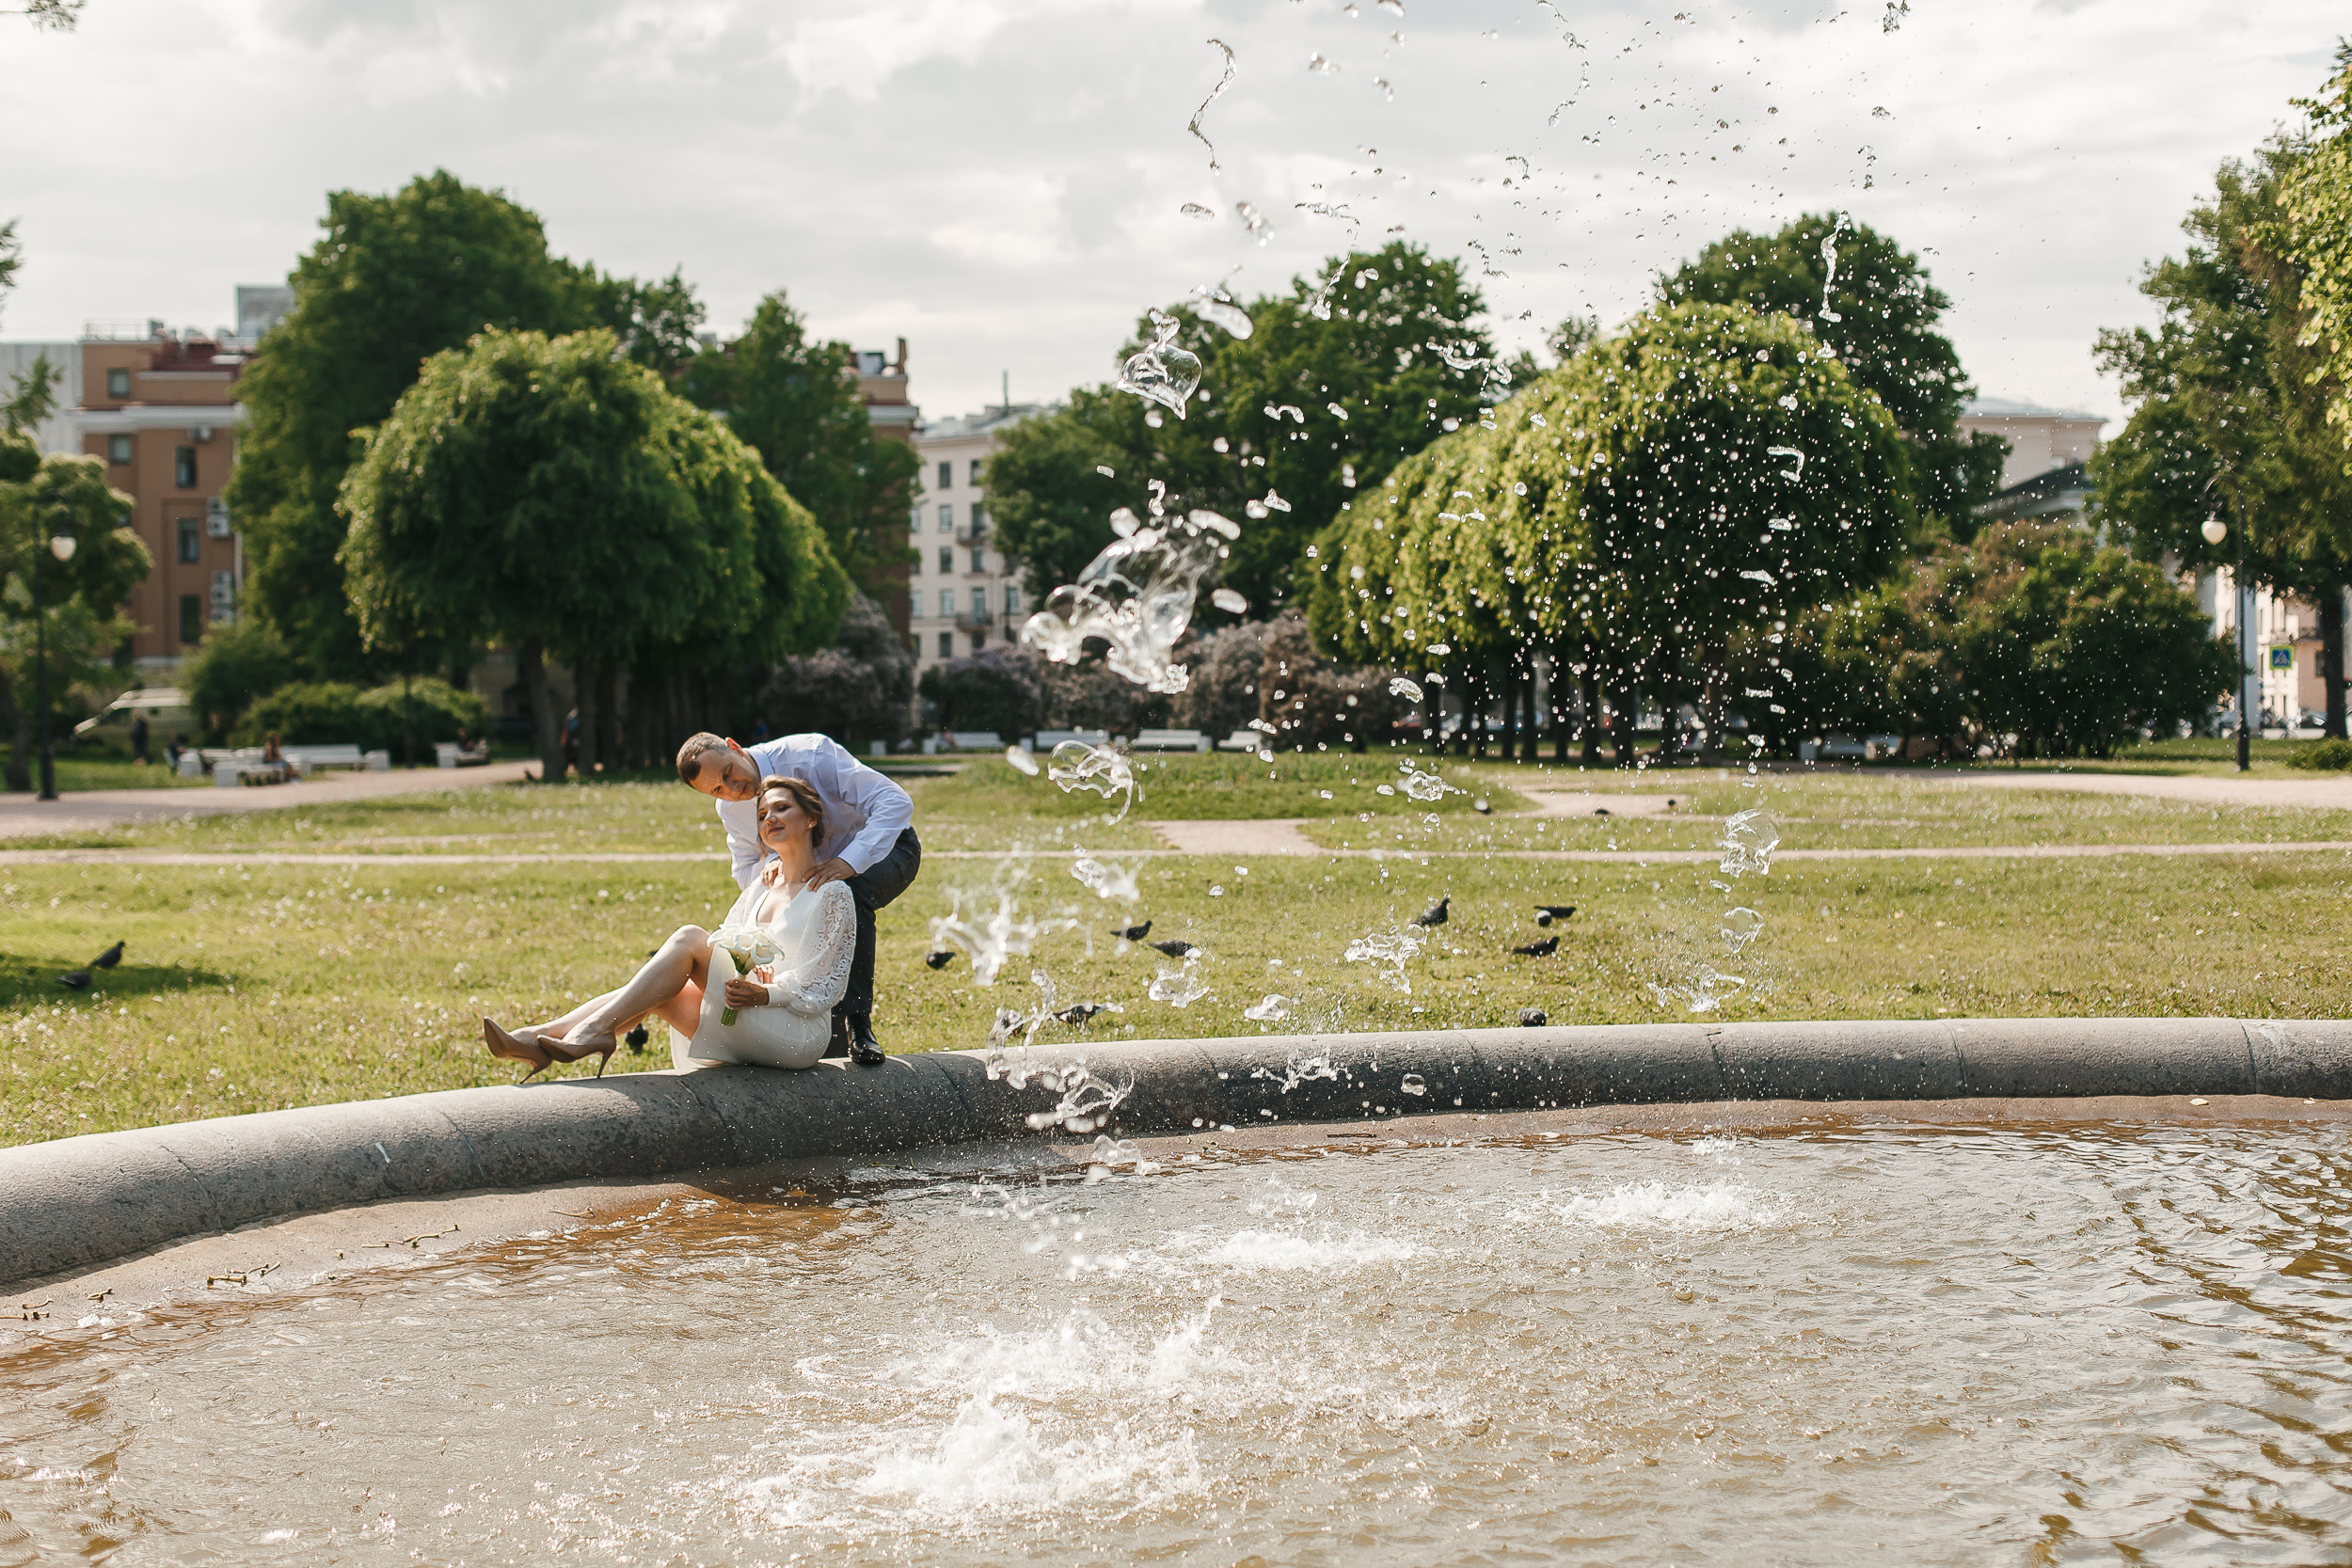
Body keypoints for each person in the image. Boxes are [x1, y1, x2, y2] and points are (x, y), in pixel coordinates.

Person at [484, 777, 856, 1078]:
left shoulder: (832, 893)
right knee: (660, 989)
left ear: (810, 819)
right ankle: (539, 1039)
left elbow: (826, 986)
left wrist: (765, 994)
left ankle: (591, 1033)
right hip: (744, 1015)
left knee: (690, 938)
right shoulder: (762, 884)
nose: (769, 818)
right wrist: (744, 981)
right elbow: (727, 944)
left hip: (795, 1033)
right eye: (761, 814)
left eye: (781, 808)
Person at [675, 730, 917, 1066]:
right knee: (804, 913)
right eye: (718, 789)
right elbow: (746, 869)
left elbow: (896, 803)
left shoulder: (811, 754)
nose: (734, 790)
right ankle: (803, 1022)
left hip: (888, 849)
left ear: (735, 747)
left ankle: (857, 1024)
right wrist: (773, 865)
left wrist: (848, 862)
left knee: (845, 896)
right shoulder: (730, 809)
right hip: (811, 875)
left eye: (730, 773)